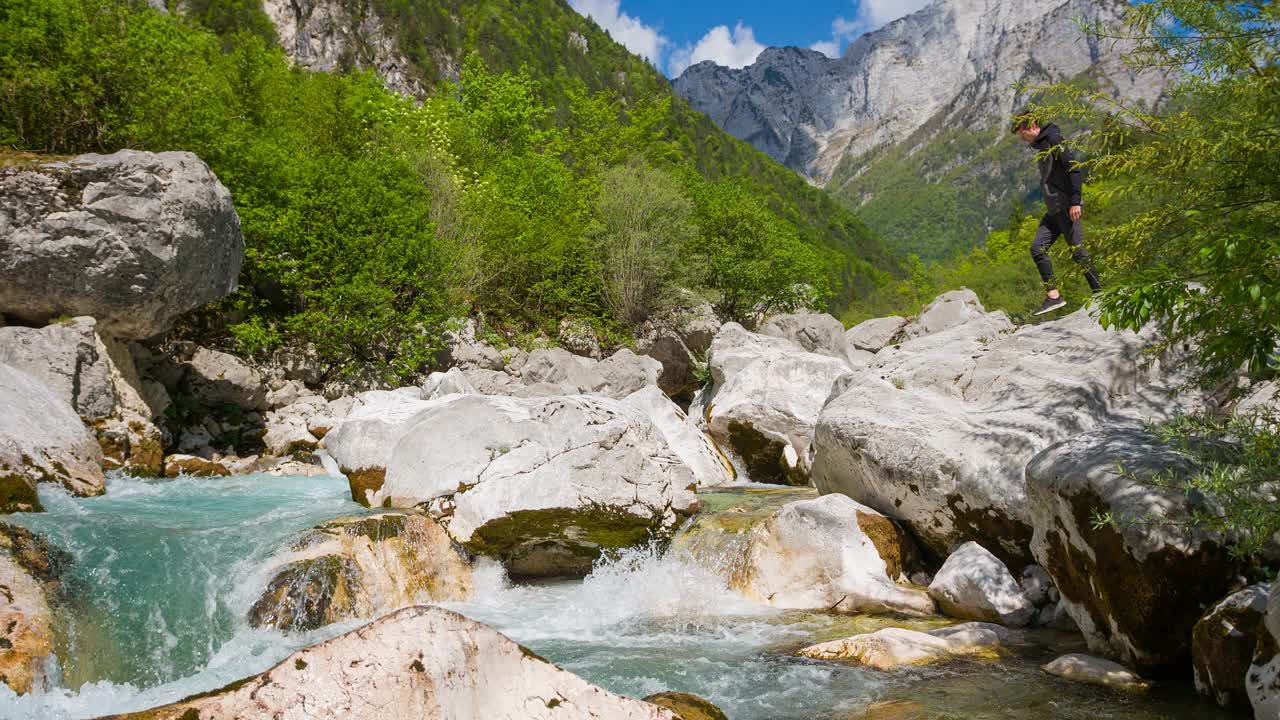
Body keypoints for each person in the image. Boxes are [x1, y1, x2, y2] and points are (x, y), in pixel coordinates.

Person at [1011, 110, 1102, 315]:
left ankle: (1101, 295)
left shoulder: (1053, 139)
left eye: (1021, 133)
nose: (1021, 138)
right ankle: (1054, 296)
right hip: (1054, 210)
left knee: (1078, 253)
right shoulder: (1042, 145)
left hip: (1067, 208)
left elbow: (1074, 168)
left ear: (1032, 126)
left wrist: (1076, 201)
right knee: (1037, 248)